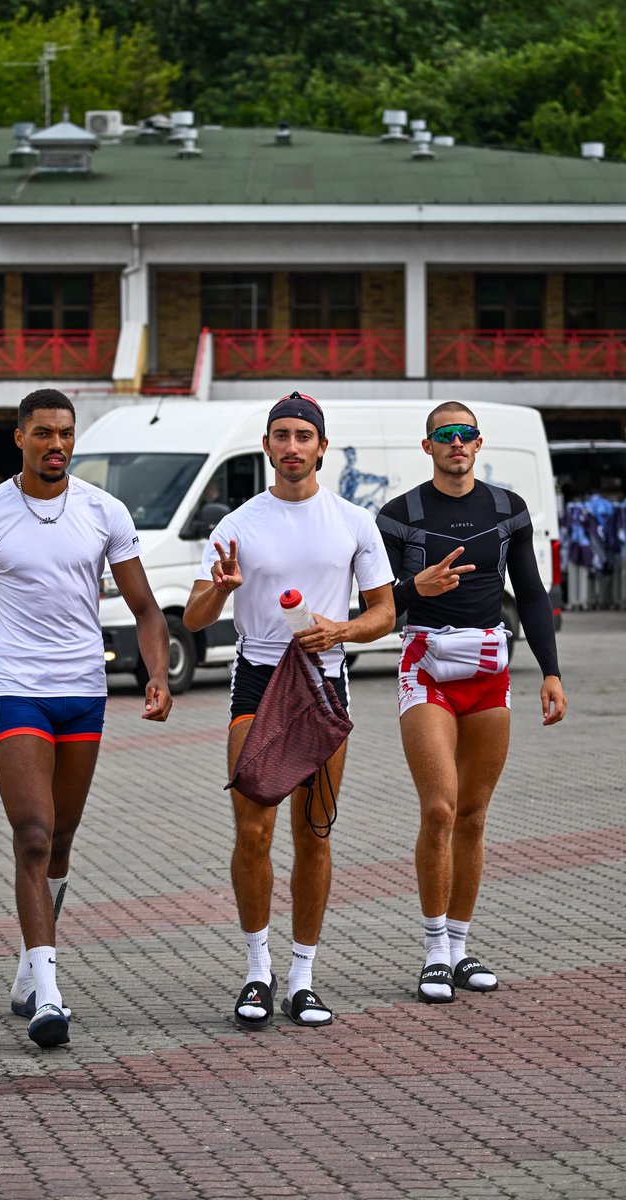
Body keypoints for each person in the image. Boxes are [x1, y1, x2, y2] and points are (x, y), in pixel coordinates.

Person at [0, 388, 172, 1049]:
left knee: (62, 839)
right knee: (33, 838)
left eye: (66, 434)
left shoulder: (104, 512)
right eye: (43, 433)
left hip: (85, 694)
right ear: (20, 437)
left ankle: (26, 964)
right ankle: (48, 993)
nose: (57, 445)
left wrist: (156, 675)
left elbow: (148, 609)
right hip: (19, 693)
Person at [184, 391, 395, 1030]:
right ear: (268, 446)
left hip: (324, 683)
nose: (293, 446)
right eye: (282, 435)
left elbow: (386, 614)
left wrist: (340, 630)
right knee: (252, 830)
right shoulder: (237, 525)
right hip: (257, 679)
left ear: (322, 447)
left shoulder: (355, 522)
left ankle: (302, 975)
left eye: (305, 435)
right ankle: (257, 970)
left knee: (315, 832)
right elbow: (193, 619)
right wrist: (218, 592)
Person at [376, 402, 567, 1005]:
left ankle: (460, 947)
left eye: (465, 435)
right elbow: (380, 606)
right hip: (425, 664)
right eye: (445, 436)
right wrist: (415, 587)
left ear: (479, 444)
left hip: (489, 667)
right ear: (427, 446)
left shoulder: (507, 509)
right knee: (439, 809)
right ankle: (433, 950)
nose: (456, 444)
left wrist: (552, 673)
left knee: (475, 816)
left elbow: (532, 594)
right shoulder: (399, 515)